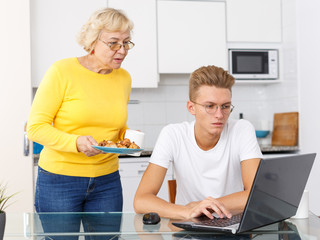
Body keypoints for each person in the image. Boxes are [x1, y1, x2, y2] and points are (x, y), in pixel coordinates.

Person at [27, 7, 134, 213]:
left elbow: (115, 124)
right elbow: (35, 127)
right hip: (59, 179)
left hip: (107, 180)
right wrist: (75, 142)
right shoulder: (62, 71)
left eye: (126, 42)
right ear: (93, 41)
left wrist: (128, 138)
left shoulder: (124, 78)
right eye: (113, 43)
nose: (122, 50)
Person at [134, 65, 263, 220]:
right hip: (188, 226)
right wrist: (188, 212)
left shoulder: (242, 129)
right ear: (191, 107)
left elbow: (257, 194)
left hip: (232, 225)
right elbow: (141, 200)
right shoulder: (173, 135)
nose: (219, 115)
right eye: (209, 106)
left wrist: (205, 206)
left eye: (225, 106)